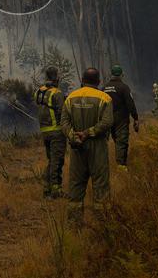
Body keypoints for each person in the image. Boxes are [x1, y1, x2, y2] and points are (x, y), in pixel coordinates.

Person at [61, 67, 113, 224]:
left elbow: (64, 122)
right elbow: (107, 122)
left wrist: (73, 136)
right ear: (98, 81)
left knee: (76, 186)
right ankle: (103, 226)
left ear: (82, 80)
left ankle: (74, 225)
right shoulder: (105, 98)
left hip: (77, 148)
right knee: (101, 186)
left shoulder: (70, 98)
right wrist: (89, 132)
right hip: (97, 147)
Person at [32, 66, 65, 198]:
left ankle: (47, 188)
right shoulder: (57, 93)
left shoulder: (38, 92)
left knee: (51, 160)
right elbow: (63, 113)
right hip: (56, 132)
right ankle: (56, 190)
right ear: (56, 77)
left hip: (44, 132)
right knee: (57, 161)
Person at [103, 65, 139, 169]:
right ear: (122, 74)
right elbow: (130, 104)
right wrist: (135, 118)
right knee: (121, 142)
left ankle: (103, 165)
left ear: (111, 74)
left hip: (106, 118)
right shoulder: (124, 87)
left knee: (103, 141)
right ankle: (121, 167)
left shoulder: (104, 88)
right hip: (121, 119)